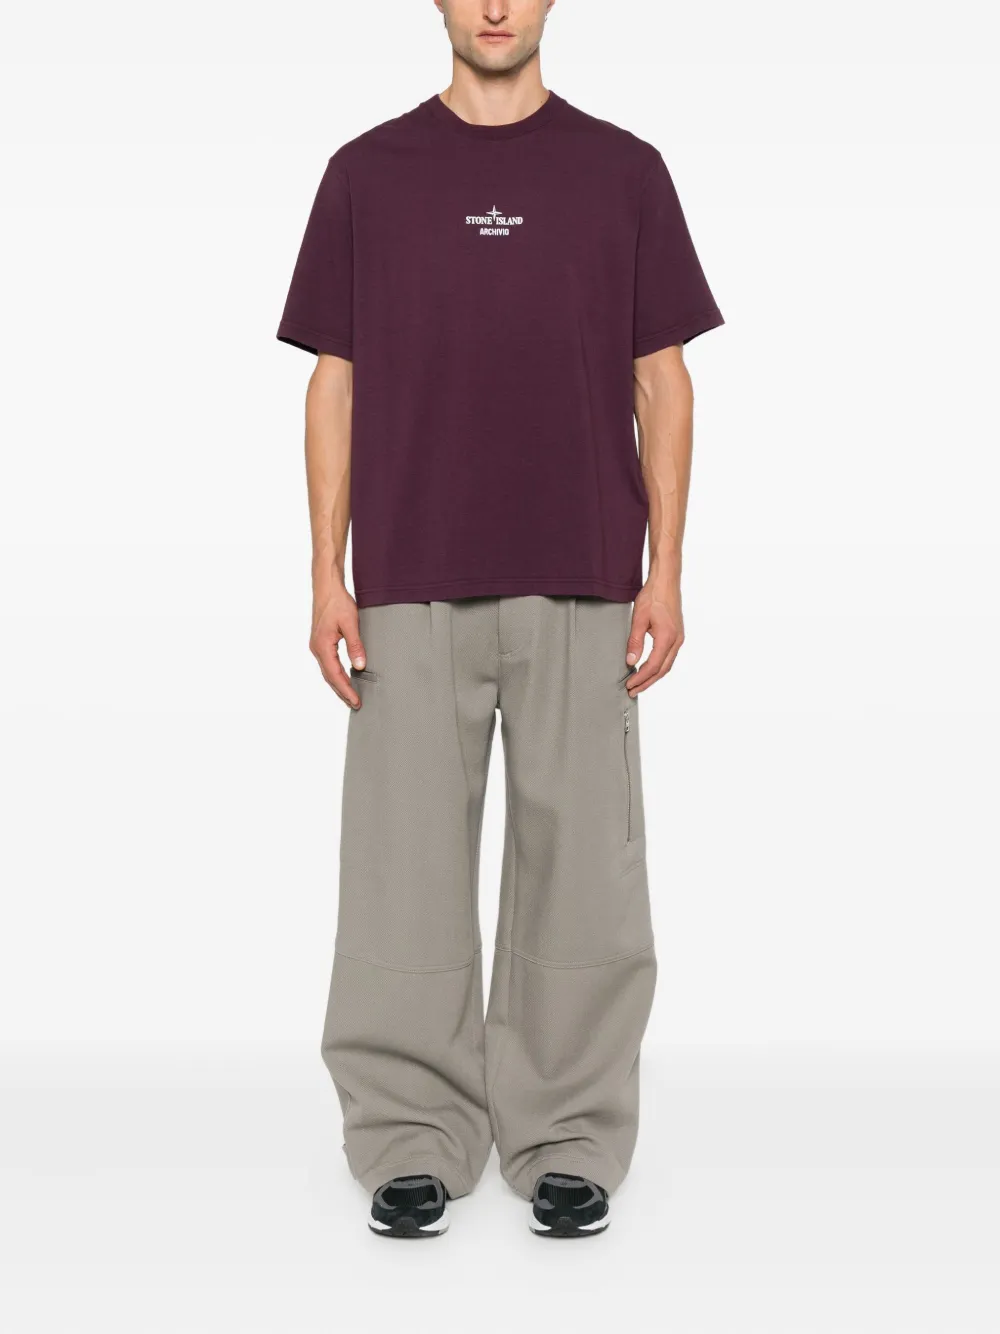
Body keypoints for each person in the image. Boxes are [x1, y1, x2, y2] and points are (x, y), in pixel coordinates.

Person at [276, 0, 722, 1239]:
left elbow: (663, 379)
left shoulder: (623, 172)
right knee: (400, 873)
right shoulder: (365, 174)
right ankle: (409, 1134)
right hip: (408, 579)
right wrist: (324, 572)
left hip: (584, 573)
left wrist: (667, 571)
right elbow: (333, 380)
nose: (492, 7)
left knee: (586, 878)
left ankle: (568, 1133)